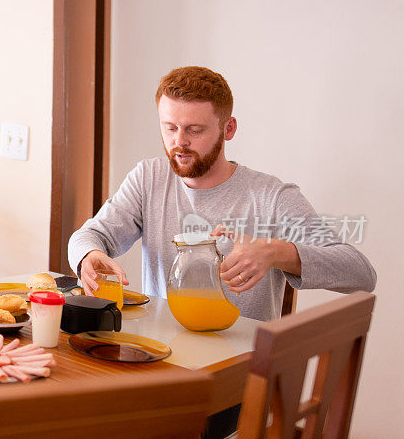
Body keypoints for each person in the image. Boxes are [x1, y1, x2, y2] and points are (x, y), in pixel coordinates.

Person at [68, 66, 376, 322]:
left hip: (239, 375)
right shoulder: (149, 177)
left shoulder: (271, 196)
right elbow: (90, 235)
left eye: (195, 130)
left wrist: (275, 252)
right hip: (160, 358)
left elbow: (361, 273)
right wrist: (88, 256)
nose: (180, 142)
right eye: (169, 128)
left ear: (228, 129)